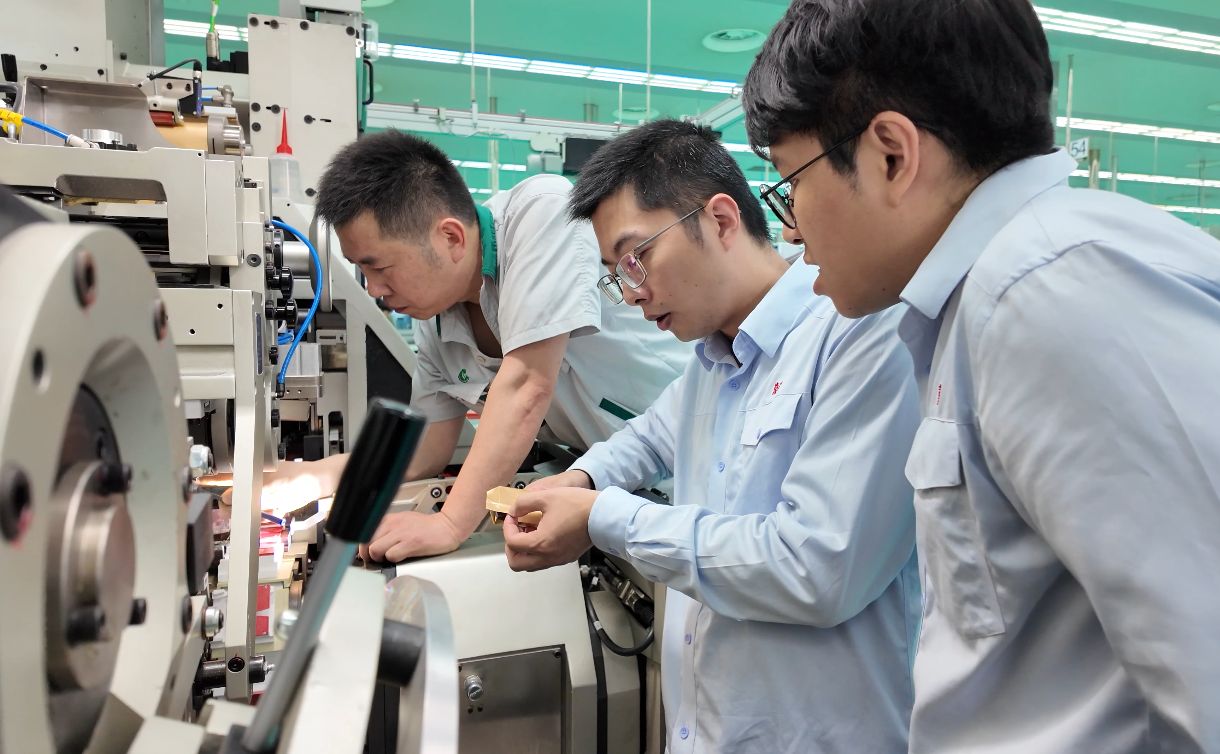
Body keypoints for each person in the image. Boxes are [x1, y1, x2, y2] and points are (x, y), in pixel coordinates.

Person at [741, 1, 1220, 751]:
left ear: (891, 155)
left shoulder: (1048, 294)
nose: (789, 227)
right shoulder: (988, 299)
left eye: (789, 182)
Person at [500, 119, 921, 753]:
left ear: (721, 220)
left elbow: (816, 567)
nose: (633, 294)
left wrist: (602, 518)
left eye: (637, 258)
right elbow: (649, 438)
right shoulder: (711, 357)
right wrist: (580, 479)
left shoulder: (857, 331)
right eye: (616, 274)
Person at [249, 130, 691, 560]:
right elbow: (424, 451)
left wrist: (450, 523)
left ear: (451, 238)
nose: (375, 290)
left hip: (686, 471)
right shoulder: (437, 322)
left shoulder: (540, 213)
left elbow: (527, 385)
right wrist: (310, 479)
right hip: (610, 484)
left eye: (379, 268)